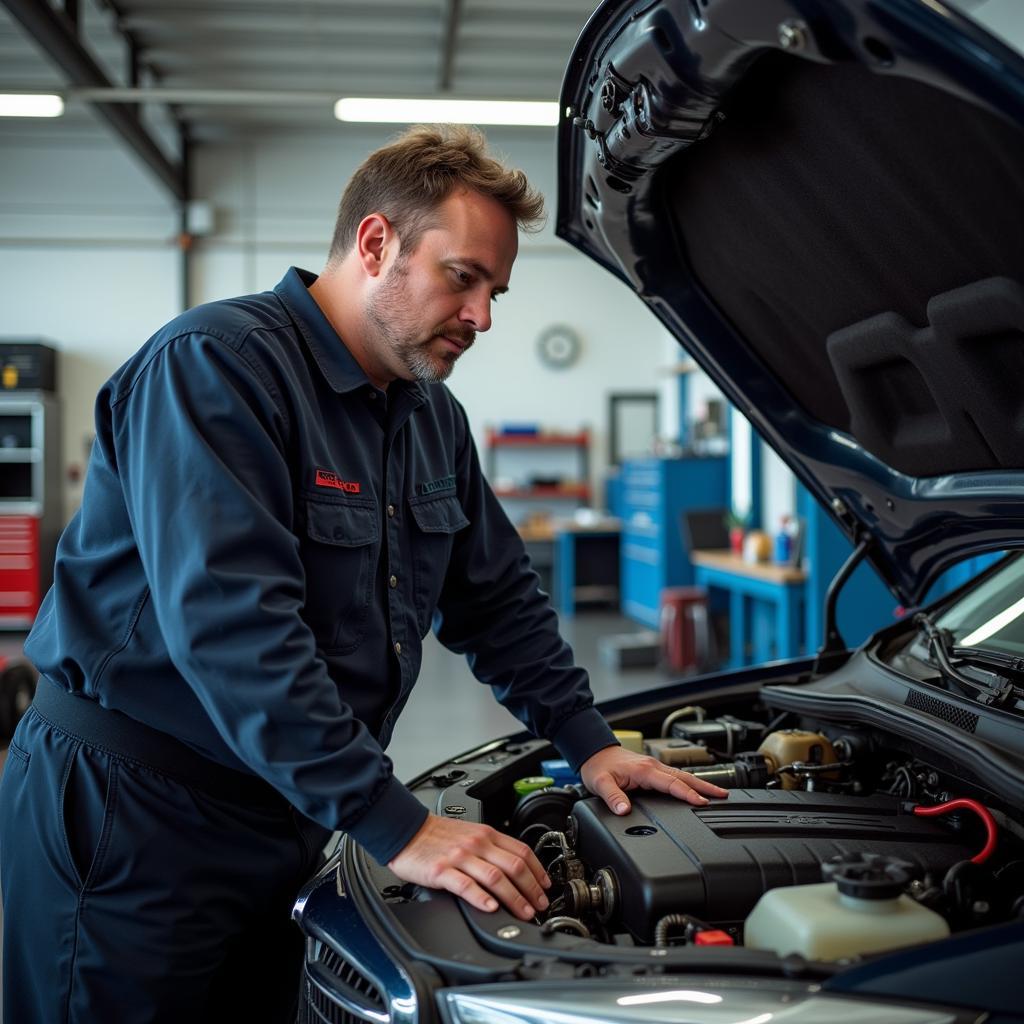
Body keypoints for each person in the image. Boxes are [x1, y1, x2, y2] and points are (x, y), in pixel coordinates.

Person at [0, 125, 727, 1022]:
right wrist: (397, 825)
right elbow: (235, 630)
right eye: (462, 277)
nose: (483, 318)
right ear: (377, 243)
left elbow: (496, 599)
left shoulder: (429, 416)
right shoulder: (218, 368)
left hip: (288, 813)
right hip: (132, 820)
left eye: (495, 291)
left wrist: (591, 740)